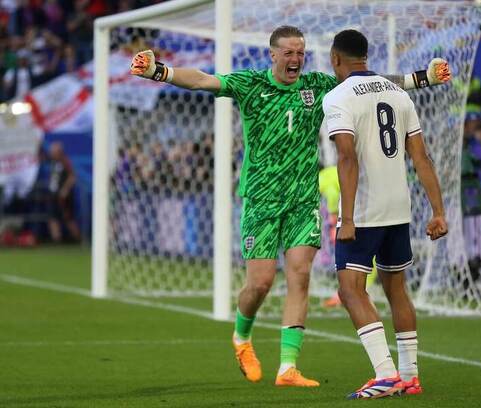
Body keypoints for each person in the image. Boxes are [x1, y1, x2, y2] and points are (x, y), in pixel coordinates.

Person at [130, 25, 450, 387]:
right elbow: (203, 80)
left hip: (302, 198)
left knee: (299, 275)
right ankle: (241, 336)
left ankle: (287, 368)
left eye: (300, 52)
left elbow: (371, 83)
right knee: (261, 283)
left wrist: (423, 78)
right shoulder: (251, 84)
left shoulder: (319, 85)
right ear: (273, 55)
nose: (296, 59)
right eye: (289, 53)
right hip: (261, 199)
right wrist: (160, 71)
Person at [323, 29, 448, 399]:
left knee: (350, 291)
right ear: (366, 55)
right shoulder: (397, 93)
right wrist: (438, 211)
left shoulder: (338, 97)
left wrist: (346, 218)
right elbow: (421, 157)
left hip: (364, 211)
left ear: (335, 59)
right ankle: (409, 375)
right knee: (396, 290)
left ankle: (386, 374)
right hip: (399, 208)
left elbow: (346, 156)